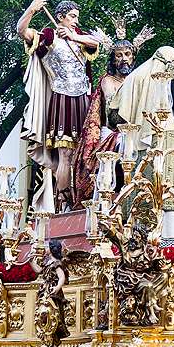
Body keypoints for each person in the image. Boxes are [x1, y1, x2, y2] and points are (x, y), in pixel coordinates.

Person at [107, 46, 174, 247]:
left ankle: (142, 239)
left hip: (146, 139)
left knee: (148, 186)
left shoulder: (140, 75)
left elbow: (115, 115)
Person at [18, 0, 99, 213]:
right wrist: (32, 9)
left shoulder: (80, 36)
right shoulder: (49, 36)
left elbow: (97, 42)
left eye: (77, 17)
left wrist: (74, 37)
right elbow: (22, 31)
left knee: (88, 151)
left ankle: (85, 196)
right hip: (62, 99)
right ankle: (64, 203)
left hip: (84, 99)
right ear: (60, 16)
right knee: (66, 153)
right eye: (72, 16)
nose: (75, 21)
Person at [70, 17, 154, 209]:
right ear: (113, 58)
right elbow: (114, 110)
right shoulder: (108, 81)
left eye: (128, 54)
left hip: (135, 129)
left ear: (133, 57)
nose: (124, 58)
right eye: (119, 55)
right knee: (127, 145)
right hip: (112, 130)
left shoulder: (138, 83)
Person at [30, 239, 70, 347]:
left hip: (53, 291)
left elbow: (62, 277)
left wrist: (57, 287)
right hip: (45, 290)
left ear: (52, 249)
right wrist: (32, 262)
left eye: (47, 246)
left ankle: (54, 341)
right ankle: (47, 340)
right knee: (43, 315)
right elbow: (39, 271)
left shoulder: (56, 264)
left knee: (53, 315)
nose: (45, 249)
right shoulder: (47, 263)